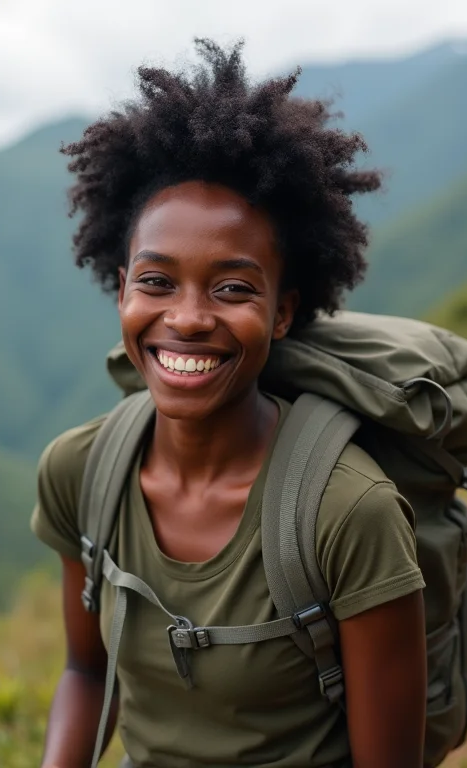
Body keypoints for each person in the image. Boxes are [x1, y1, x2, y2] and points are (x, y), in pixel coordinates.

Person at [31, 39, 427, 768]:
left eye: (233, 288)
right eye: (156, 282)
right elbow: (87, 671)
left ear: (283, 313)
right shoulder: (80, 473)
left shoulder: (347, 513)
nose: (186, 318)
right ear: (121, 290)